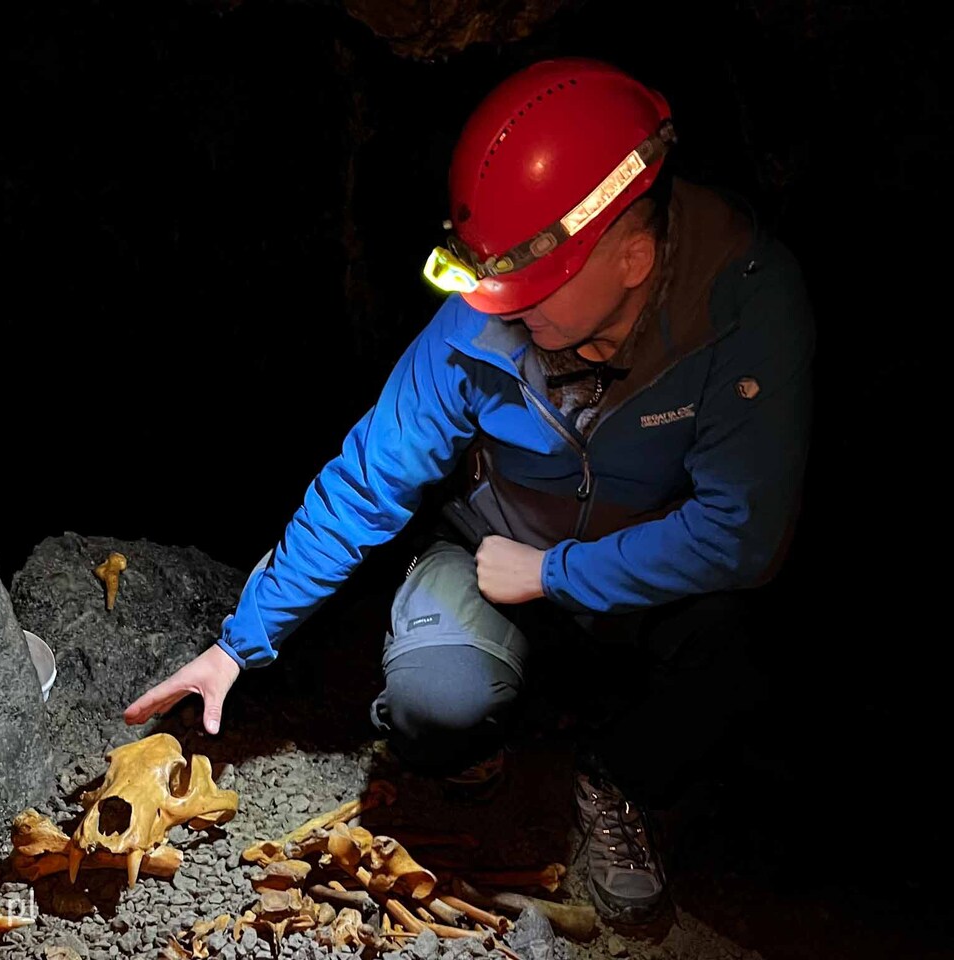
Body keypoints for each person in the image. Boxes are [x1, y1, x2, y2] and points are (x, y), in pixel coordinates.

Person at [124, 56, 814, 924]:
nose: (500, 311)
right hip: (492, 546)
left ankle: (621, 777)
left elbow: (740, 535)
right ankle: (485, 733)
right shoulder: (485, 315)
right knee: (433, 701)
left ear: (632, 260)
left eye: (530, 293)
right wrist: (238, 644)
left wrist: (556, 572)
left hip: (645, 565)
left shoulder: (745, 310)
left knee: (754, 647)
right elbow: (371, 477)